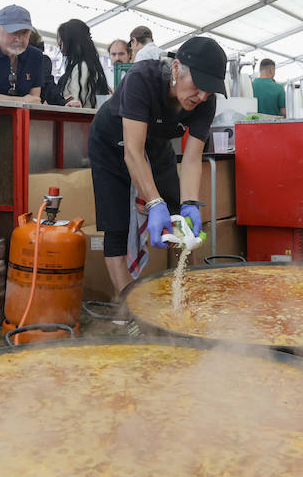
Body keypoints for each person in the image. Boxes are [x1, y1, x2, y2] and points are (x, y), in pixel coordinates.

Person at [88, 37, 227, 294]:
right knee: (116, 225)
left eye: (210, 90)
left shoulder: (205, 101)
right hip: (112, 144)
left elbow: (193, 157)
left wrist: (190, 203)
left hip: (155, 145)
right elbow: (132, 151)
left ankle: (185, 296)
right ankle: (128, 311)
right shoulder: (142, 78)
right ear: (176, 69)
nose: (203, 95)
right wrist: (154, 202)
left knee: (181, 222)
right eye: (199, 86)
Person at [57, 18, 110, 108]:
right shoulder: (91, 66)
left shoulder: (81, 68)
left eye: (62, 41)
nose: (60, 45)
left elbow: (75, 103)